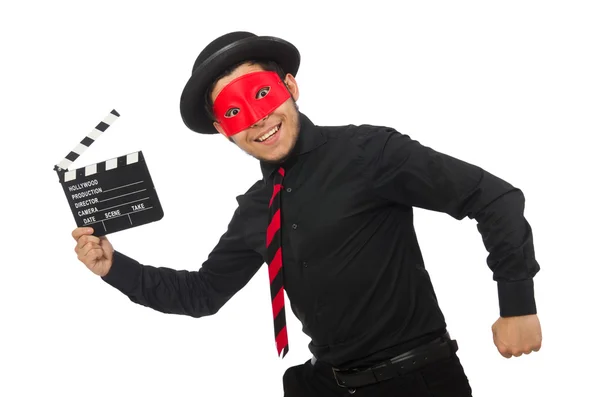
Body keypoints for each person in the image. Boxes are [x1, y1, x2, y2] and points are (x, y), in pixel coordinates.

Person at [71, 31, 542, 396]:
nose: (256, 118)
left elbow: (493, 197)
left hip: (415, 380)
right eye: (233, 112)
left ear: (290, 86)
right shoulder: (258, 210)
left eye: (260, 94)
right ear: (221, 130)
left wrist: (517, 302)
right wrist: (114, 267)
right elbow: (202, 293)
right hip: (327, 384)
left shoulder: (369, 151)